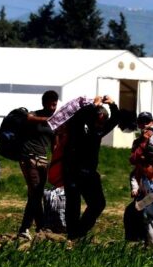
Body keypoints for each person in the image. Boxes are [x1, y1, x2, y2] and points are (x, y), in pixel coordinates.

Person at [62, 95, 119, 240]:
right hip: (72, 171)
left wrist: (112, 104)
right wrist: (93, 106)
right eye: (98, 122)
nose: (100, 126)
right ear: (92, 118)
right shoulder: (78, 128)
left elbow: (115, 119)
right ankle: (73, 234)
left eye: (102, 123)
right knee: (73, 204)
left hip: (89, 174)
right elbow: (79, 116)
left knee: (98, 204)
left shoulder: (98, 131)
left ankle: (78, 232)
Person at [16, 90, 59, 240]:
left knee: (37, 194)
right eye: (51, 104)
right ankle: (25, 227)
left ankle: (40, 226)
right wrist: (46, 119)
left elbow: (55, 144)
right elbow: (27, 118)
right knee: (35, 192)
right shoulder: (35, 115)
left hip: (43, 160)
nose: (53, 107)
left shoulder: (55, 122)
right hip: (29, 158)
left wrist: (56, 162)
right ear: (45, 103)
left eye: (55, 104)